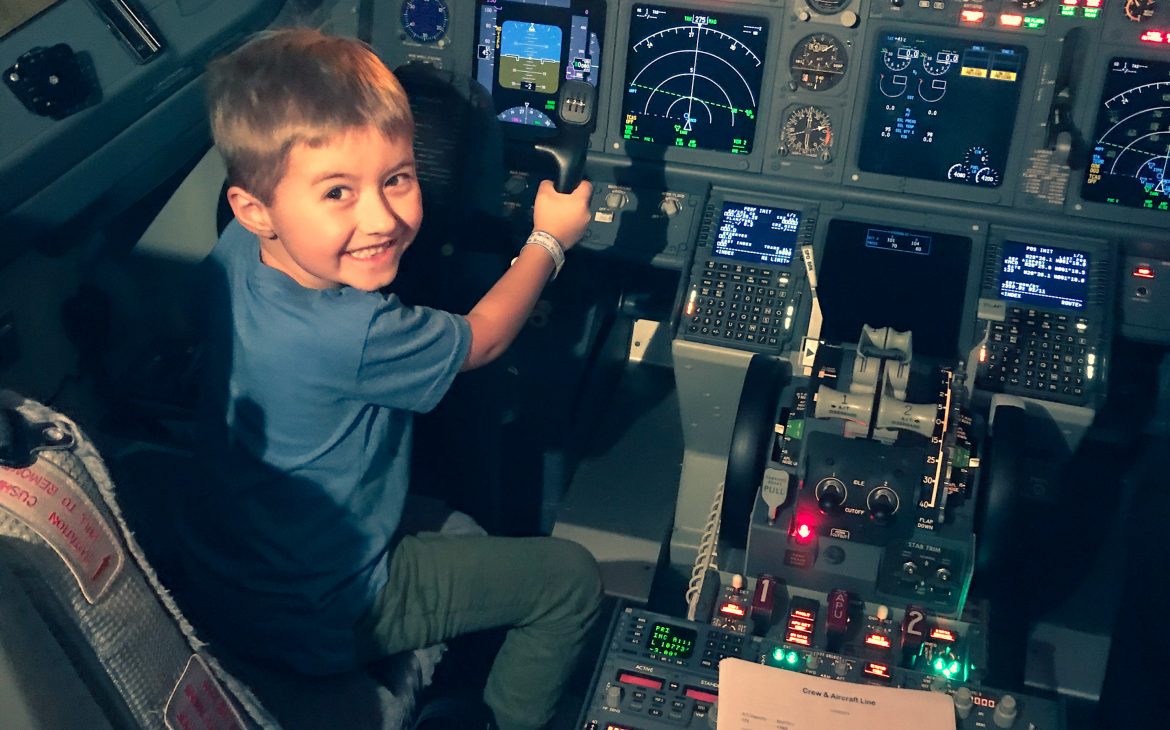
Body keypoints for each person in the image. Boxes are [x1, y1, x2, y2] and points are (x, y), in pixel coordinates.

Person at [176, 27, 602, 730]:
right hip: (327, 610)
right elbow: (486, 338)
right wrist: (549, 239)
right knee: (570, 580)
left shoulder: (237, 252)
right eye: (338, 192)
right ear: (255, 207)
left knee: (462, 529)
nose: (382, 218)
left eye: (397, 178)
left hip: (235, 569)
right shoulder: (355, 333)